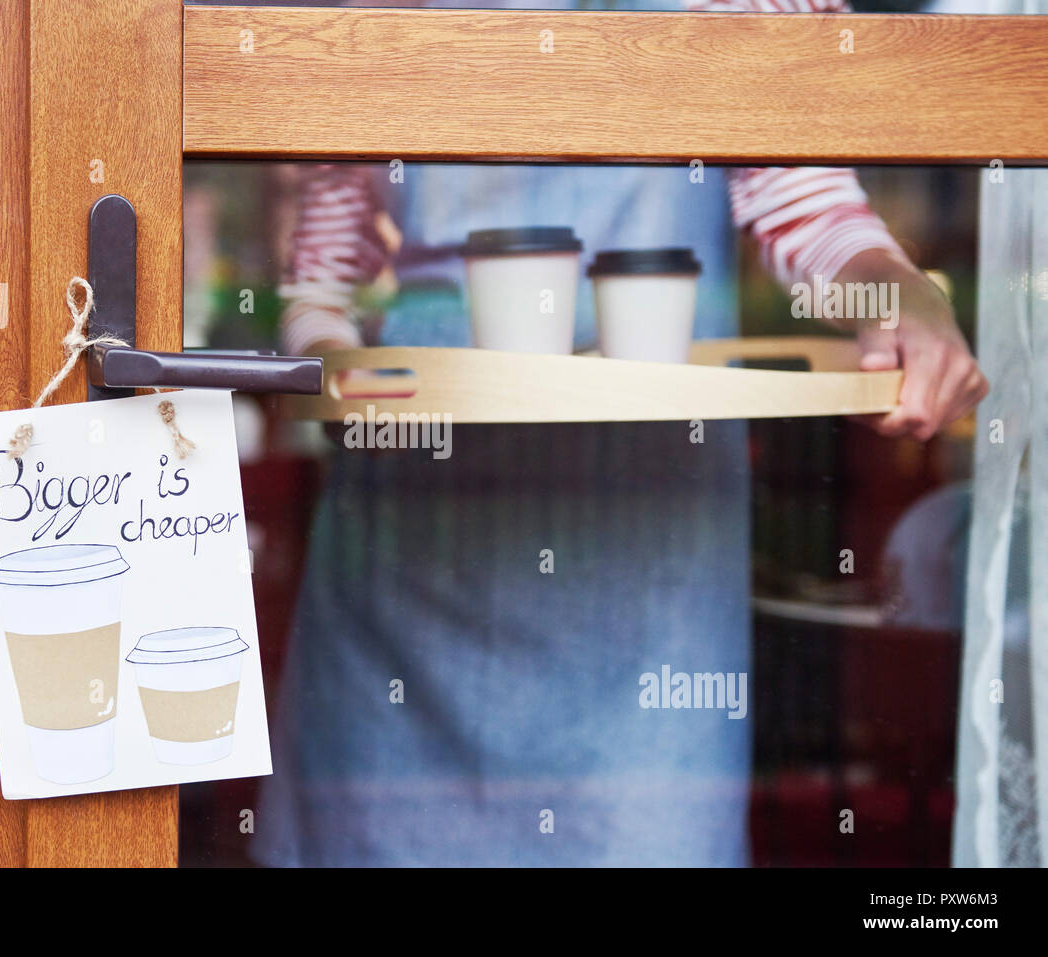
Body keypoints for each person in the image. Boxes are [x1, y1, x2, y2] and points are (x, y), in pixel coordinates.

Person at [254, 0, 988, 866]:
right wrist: (334, 363)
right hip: (412, 534)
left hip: (651, 577)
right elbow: (318, 287)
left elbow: (811, 209)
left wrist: (898, 301)